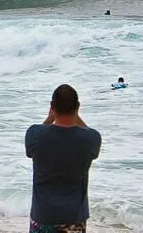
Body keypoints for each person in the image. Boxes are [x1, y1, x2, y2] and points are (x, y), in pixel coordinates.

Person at [25, 84, 102, 233]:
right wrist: (76, 115)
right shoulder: (90, 138)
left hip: (42, 215)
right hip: (73, 216)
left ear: (52, 106)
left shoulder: (34, 135)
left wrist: (49, 119)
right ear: (77, 106)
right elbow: (91, 137)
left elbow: (31, 149)